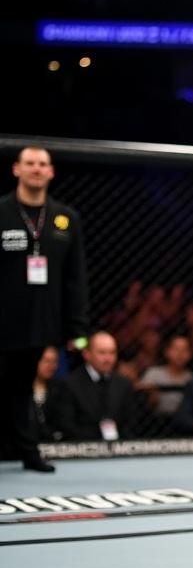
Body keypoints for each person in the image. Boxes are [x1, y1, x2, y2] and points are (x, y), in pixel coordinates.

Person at [0, 145, 90, 472]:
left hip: (41, 320)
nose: (36, 169)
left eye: (42, 164)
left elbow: (74, 278)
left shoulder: (66, 219)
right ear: (16, 170)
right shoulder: (2, 212)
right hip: (4, 317)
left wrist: (76, 329)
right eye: (30, 163)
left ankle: (26, 451)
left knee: (23, 385)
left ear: (51, 172)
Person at [64, 331, 138, 441]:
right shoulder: (70, 384)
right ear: (87, 354)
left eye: (112, 353)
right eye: (102, 353)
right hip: (81, 449)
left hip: (118, 449)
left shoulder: (124, 385)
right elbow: (67, 425)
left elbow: (130, 423)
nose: (108, 359)